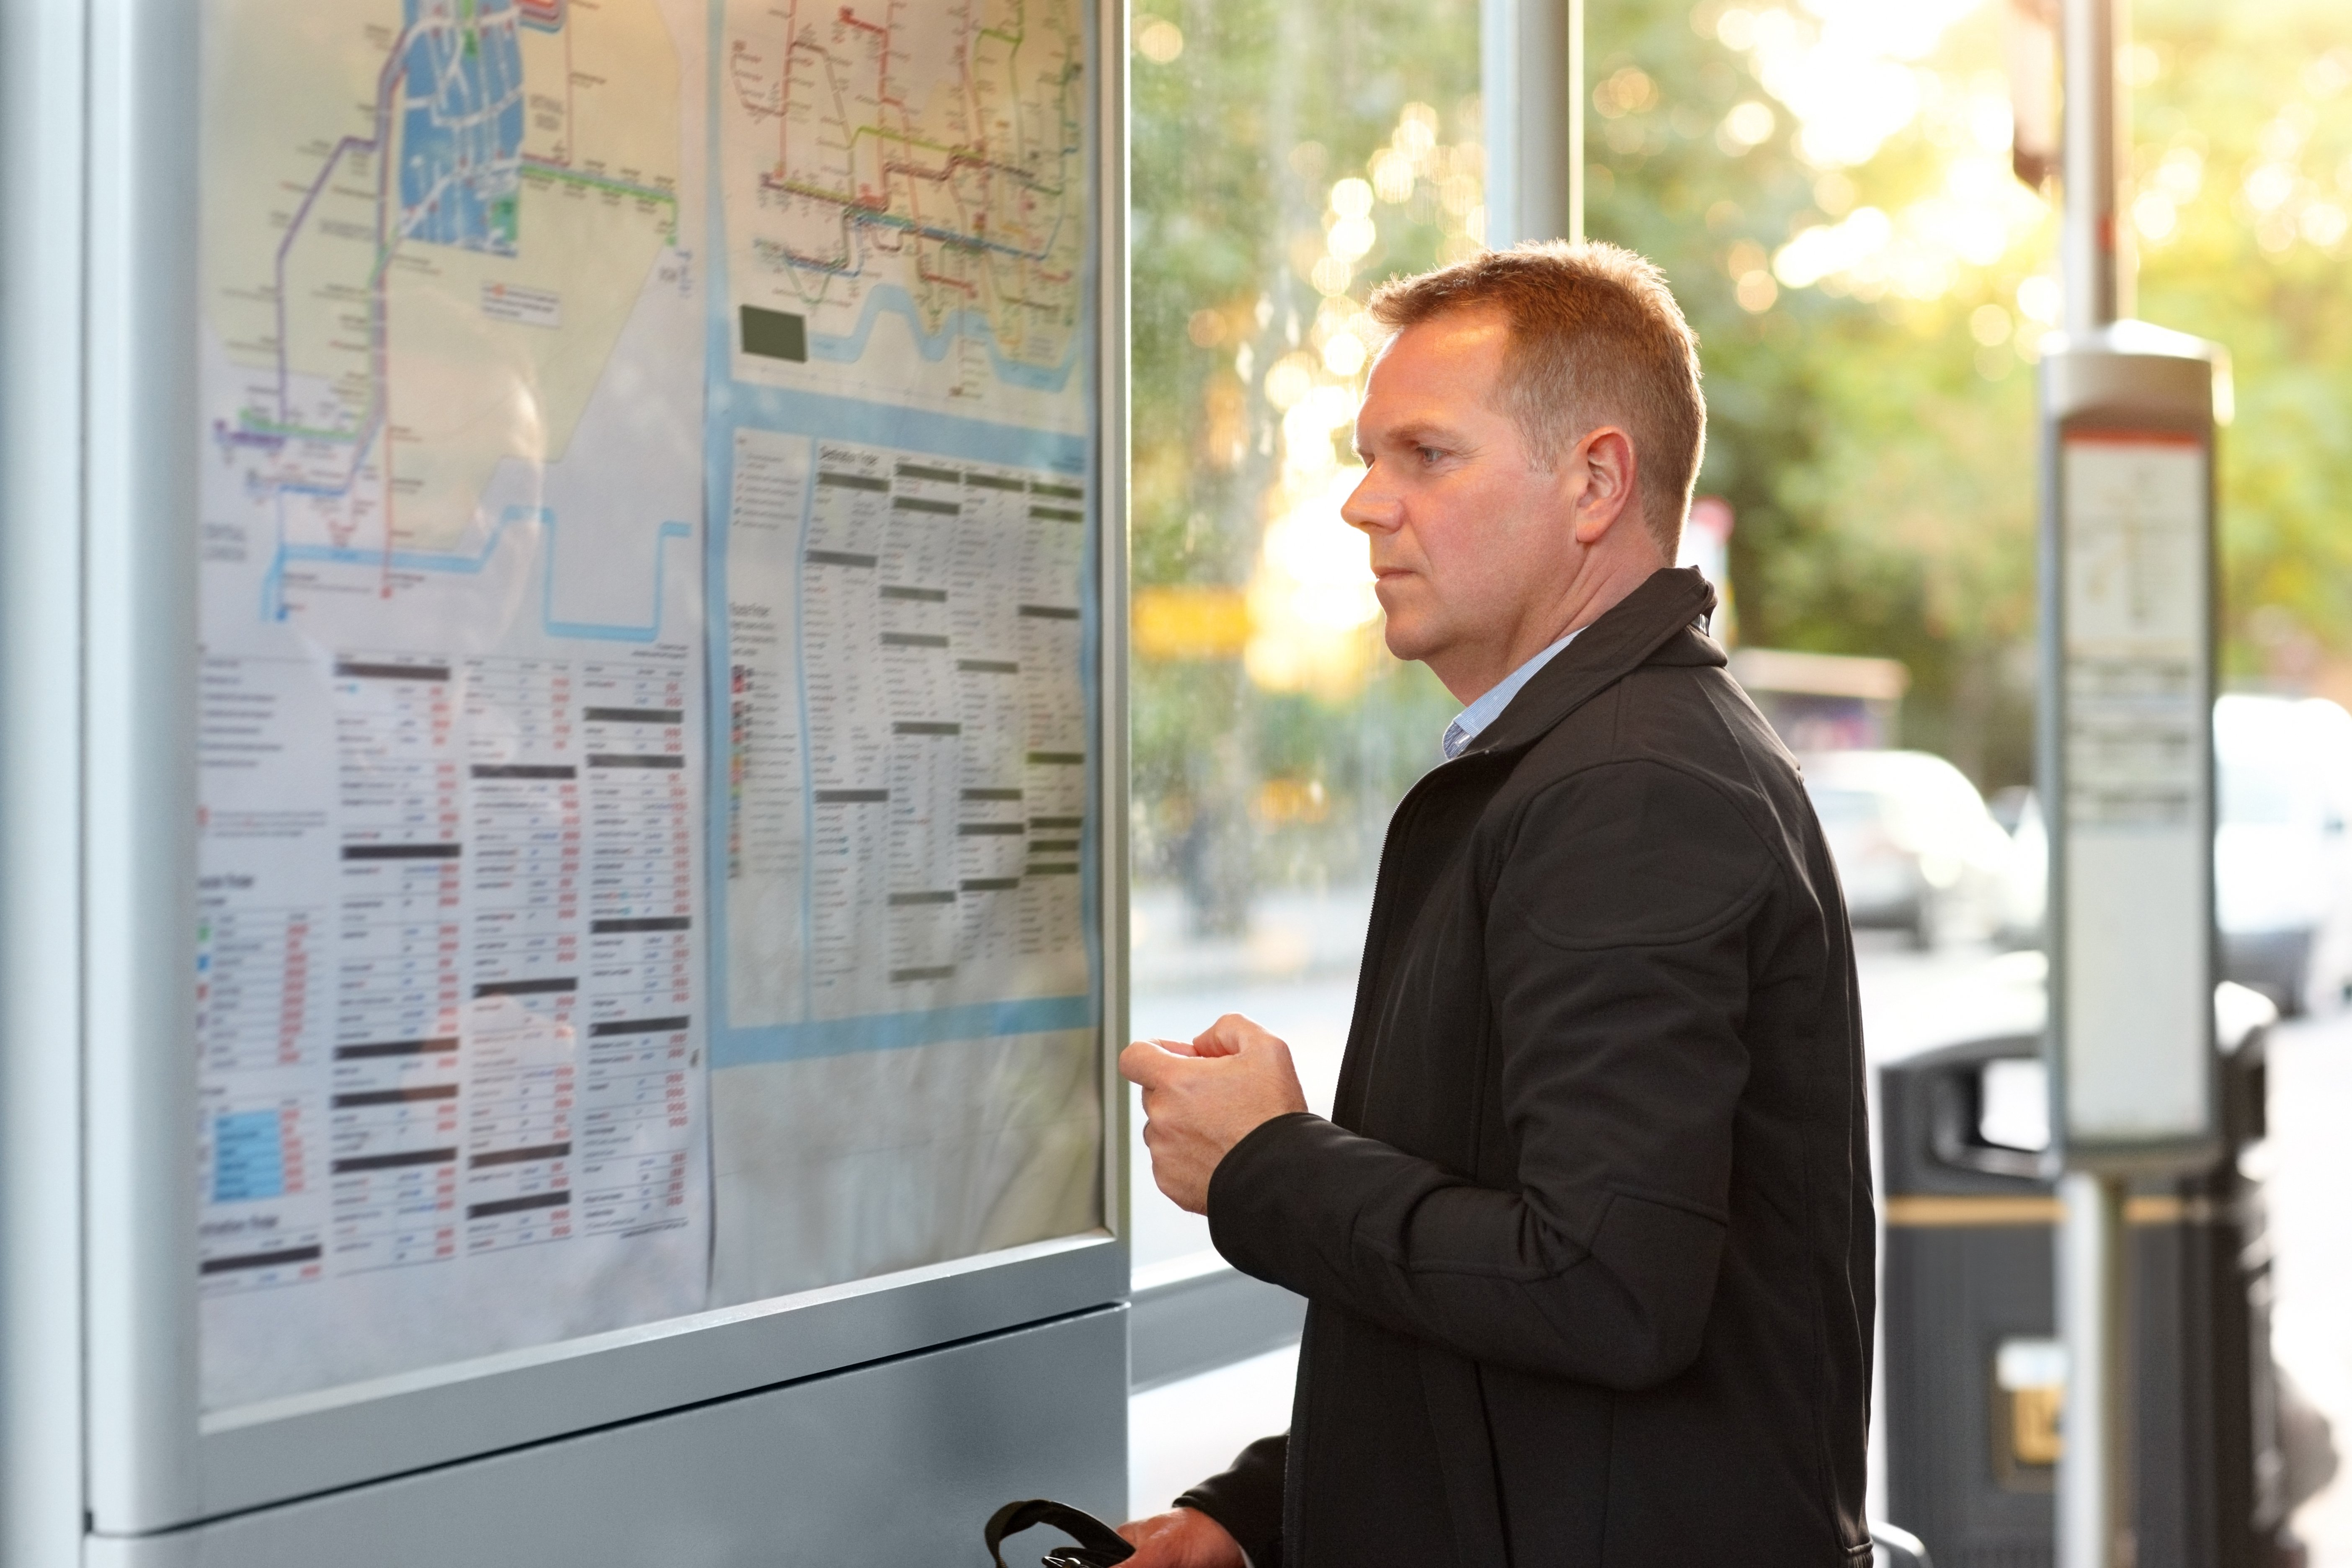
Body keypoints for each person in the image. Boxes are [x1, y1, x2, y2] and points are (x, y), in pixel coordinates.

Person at [1117, 241, 1874, 1567]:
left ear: (1594, 483)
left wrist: (1266, 1163)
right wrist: (1256, 1515)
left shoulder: (1632, 787)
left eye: (1425, 456)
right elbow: (1496, 1281)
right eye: (1368, 456)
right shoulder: (1586, 760)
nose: (1365, 505)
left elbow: (1603, 1286)